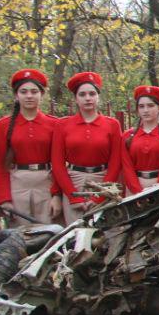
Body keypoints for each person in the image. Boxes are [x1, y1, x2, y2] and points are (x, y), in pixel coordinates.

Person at [52, 72, 133, 222]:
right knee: (75, 235)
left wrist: (101, 195)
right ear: (76, 99)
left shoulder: (112, 125)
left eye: (92, 93)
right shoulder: (63, 125)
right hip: (74, 182)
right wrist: (73, 196)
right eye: (82, 94)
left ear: (98, 97)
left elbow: (115, 162)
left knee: (104, 234)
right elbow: (57, 164)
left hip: (103, 180)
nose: (88, 98)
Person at [0, 68, 61, 226]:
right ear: (16, 96)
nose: (29, 96)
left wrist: (57, 195)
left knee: (48, 233)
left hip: (46, 183)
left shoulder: (54, 124)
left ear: (42, 94)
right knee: (20, 235)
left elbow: (59, 163)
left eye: (34, 91)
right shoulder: (4, 125)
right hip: (17, 184)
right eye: (24, 91)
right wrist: (5, 199)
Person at [123, 86, 159, 191]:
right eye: (141, 106)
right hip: (134, 188)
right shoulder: (127, 136)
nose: (145, 110)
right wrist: (137, 192)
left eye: (150, 105)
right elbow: (127, 167)